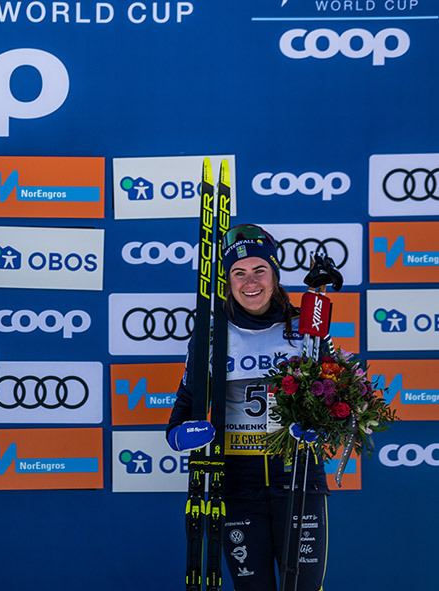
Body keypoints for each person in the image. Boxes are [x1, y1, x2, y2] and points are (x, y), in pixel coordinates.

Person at [166, 224, 329, 591]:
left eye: (260, 270)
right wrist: (179, 436)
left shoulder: (305, 330)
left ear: (274, 275)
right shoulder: (211, 335)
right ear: (227, 281)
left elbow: (338, 402)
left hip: (298, 481)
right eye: (238, 273)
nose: (249, 282)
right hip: (238, 486)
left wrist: (321, 422)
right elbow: (184, 408)